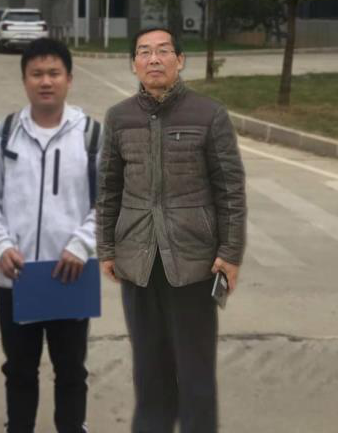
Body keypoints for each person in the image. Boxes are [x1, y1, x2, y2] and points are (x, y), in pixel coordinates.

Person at [97, 26, 247, 433]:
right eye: (144, 52)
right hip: (139, 263)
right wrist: (107, 248)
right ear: (134, 64)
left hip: (194, 264)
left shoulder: (209, 114)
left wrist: (230, 253)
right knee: (149, 369)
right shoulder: (119, 118)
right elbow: (109, 189)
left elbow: (230, 189)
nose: (154, 59)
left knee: (195, 371)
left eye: (163, 51)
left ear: (180, 60)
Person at [0, 37, 101, 433]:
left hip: (71, 276)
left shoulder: (93, 136)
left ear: (69, 79)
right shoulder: (3, 134)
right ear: (24, 80)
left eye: (54, 73)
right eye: (36, 74)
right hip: (18, 276)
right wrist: (0, 246)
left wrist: (81, 244)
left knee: (71, 370)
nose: (45, 82)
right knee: (19, 370)